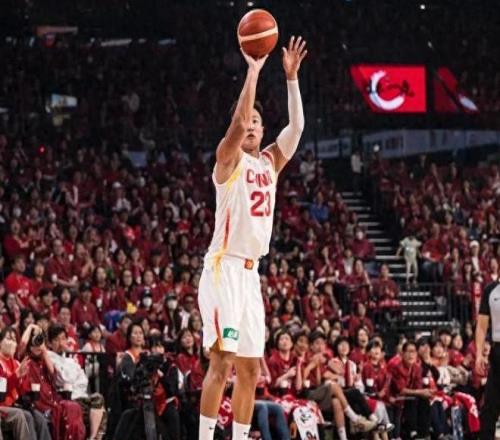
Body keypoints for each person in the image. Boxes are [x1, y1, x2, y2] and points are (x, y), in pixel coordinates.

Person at [198, 36, 307, 440]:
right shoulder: (227, 160)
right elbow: (240, 121)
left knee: (249, 370)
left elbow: (297, 127)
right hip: (223, 268)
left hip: (250, 275)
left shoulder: (269, 161)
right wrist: (254, 71)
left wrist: (291, 79)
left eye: (259, 122)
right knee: (222, 361)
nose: (252, 125)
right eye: (247, 122)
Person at [18, 324, 86, 440]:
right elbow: (22, 345)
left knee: (73, 407)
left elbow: (53, 373)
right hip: (38, 403)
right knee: (64, 409)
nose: (37, 346)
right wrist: (31, 327)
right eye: (33, 343)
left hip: (52, 401)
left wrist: (44, 350)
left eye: (40, 342)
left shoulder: (44, 360)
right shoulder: (26, 361)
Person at [47, 324, 106, 440]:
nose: (61, 343)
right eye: (56, 340)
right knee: (99, 406)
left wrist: (73, 383)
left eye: (63, 339)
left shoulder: (70, 360)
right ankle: (93, 437)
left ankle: (94, 437)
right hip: (65, 399)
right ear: (49, 343)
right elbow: (63, 379)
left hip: (80, 396)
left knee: (99, 403)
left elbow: (83, 380)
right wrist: (73, 380)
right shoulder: (50, 358)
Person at [0, 326, 51, 440]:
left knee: (39, 417)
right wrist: (16, 376)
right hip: (3, 406)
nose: (12, 342)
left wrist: (27, 386)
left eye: (14, 340)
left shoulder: (18, 363)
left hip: (16, 405)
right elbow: (2, 389)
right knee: (24, 415)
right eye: (8, 338)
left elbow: (22, 391)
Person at [475, 280, 500, 440]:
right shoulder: (491, 290)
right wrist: (479, 355)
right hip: (497, 351)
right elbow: (482, 326)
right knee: (489, 407)